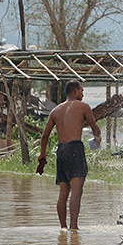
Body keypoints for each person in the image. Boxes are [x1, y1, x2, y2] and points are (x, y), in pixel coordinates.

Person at [39, 80, 101, 230]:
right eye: (81, 90)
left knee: (63, 192)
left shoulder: (55, 111)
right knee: (77, 190)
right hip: (74, 148)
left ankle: (63, 228)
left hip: (60, 151)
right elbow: (94, 127)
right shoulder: (83, 107)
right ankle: (74, 228)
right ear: (74, 91)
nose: (83, 93)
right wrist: (97, 138)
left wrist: (42, 155)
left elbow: (45, 136)